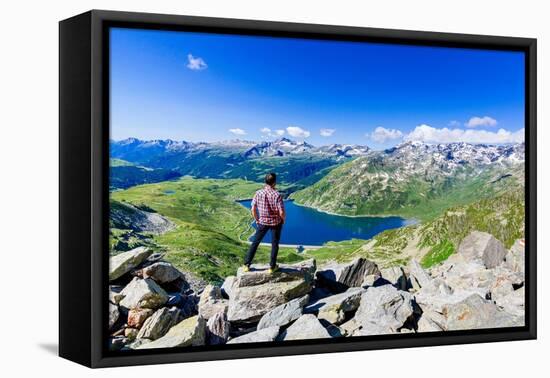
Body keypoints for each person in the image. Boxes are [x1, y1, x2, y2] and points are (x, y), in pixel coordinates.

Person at [243, 173, 285, 273]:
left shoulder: (258, 193)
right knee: (275, 244)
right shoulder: (277, 195)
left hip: (262, 222)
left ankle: (247, 265)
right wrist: (283, 220)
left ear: (265, 181)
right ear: (274, 182)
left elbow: (253, 208)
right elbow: (282, 212)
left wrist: (257, 219)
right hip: (275, 223)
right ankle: (272, 267)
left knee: (255, 242)